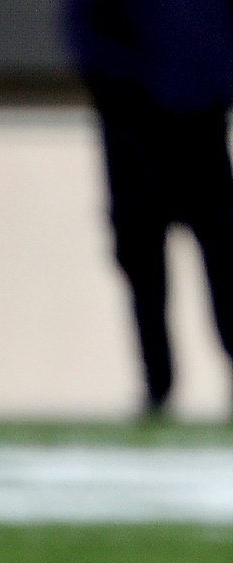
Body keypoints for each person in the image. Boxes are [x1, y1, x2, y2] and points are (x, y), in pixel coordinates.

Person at [64, 0, 233, 415]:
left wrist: (207, 91)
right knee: (143, 263)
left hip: (201, 127)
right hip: (133, 131)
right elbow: (85, 33)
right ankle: (158, 386)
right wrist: (127, 94)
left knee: (225, 259)